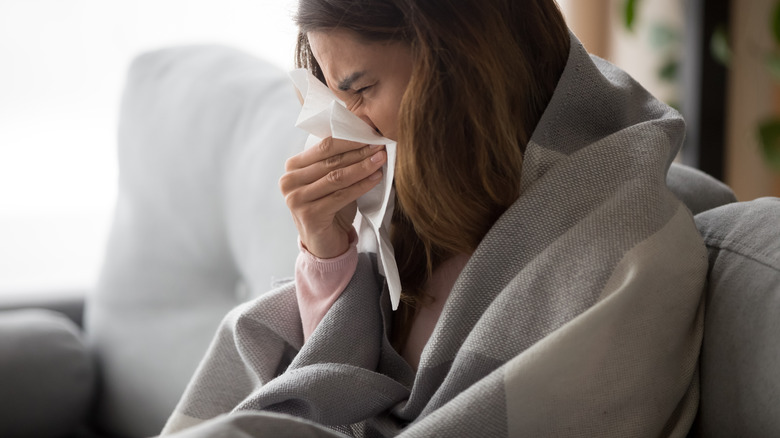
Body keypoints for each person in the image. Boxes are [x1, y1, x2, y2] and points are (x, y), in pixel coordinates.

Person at [161, 0, 707, 437]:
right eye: (330, 96)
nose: (341, 129)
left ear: (462, 65)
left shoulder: (625, 245)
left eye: (360, 91)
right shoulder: (408, 214)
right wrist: (327, 253)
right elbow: (339, 395)